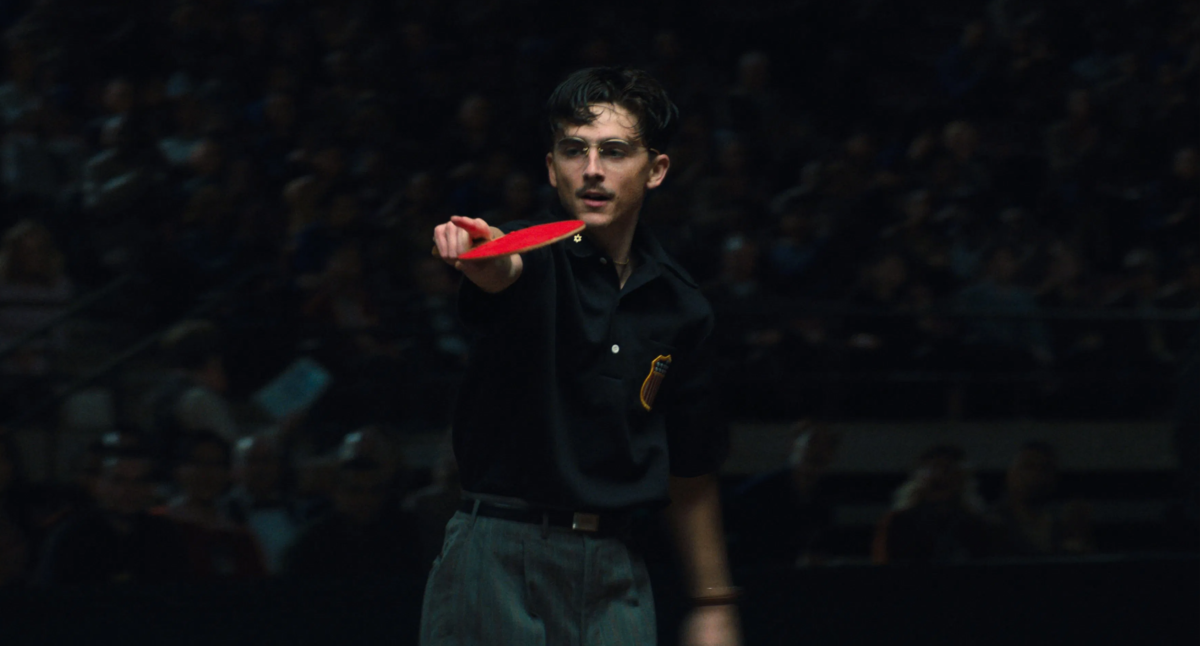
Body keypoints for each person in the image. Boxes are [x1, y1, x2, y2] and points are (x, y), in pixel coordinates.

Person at [427, 67, 739, 646]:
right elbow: (500, 269)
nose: (592, 168)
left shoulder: (683, 306)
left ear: (656, 170)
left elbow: (691, 468)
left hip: (615, 565)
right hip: (498, 553)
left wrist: (713, 601)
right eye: (575, 150)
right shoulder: (528, 255)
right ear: (552, 168)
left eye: (614, 151)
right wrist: (480, 256)